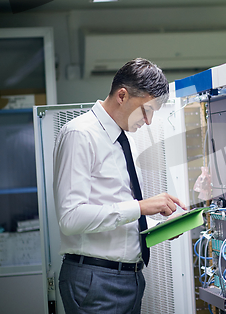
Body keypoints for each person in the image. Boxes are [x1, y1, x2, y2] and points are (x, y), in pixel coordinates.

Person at [53, 58, 185, 314]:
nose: (148, 122)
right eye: (145, 110)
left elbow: (117, 218)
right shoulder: (80, 134)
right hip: (96, 280)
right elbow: (70, 218)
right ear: (122, 95)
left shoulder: (125, 140)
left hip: (130, 278)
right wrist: (141, 207)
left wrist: (160, 227)